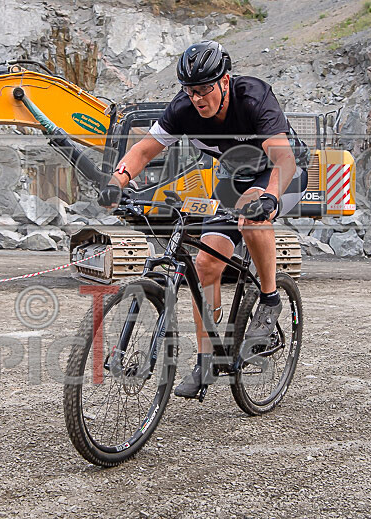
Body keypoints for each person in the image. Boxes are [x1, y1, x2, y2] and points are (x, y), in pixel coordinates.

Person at [98, 40, 308, 398]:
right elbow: (144, 150)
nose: (196, 98)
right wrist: (117, 181)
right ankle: (206, 361)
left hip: (282, 173)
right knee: (206, 264)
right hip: (232, 178)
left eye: (203, 89)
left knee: (252, 214)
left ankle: (270, 299)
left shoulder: (253, 97)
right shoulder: (182, 109)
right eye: (190, 90)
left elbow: (283, 159)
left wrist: (270, 197)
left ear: (224, 81)